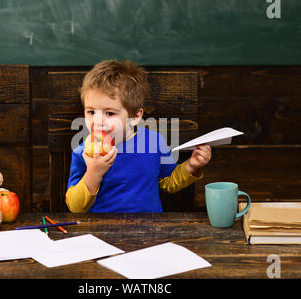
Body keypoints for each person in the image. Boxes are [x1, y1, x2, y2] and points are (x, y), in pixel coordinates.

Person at [66, 60, 211, 212]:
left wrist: (191, 166)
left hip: (148, 230)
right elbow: (75, 207)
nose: (97, 121)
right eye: (91, 112)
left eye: (109, 113)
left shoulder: (154, 142)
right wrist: (93, 173)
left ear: (135, 116)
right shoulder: (83, 153)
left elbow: (168, 183)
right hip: (102, 231)